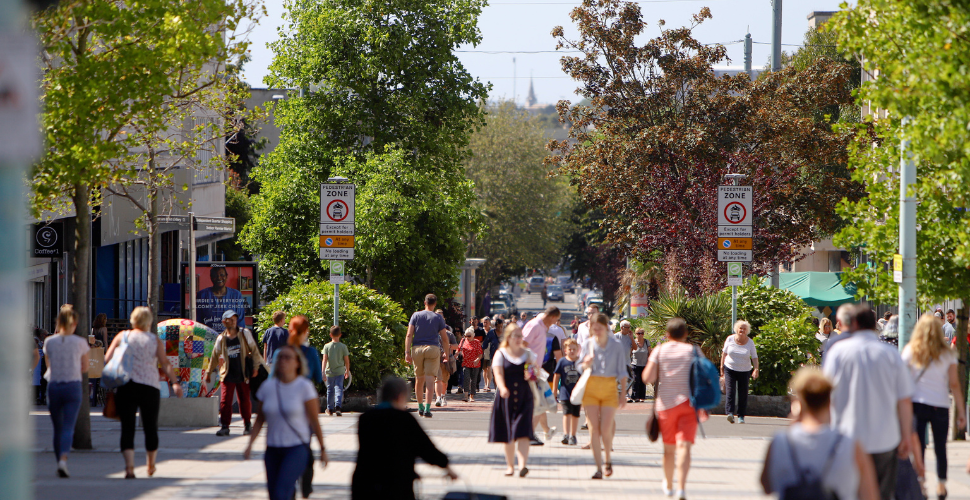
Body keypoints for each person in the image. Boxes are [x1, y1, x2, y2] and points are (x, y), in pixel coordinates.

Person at [823, 305, 914, 500]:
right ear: (874, 325)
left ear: (853, 323)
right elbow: (904, 400)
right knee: (881, 493)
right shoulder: (890, 354)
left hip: (847, 436)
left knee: (848, 491)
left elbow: (827, 396)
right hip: (884, 439)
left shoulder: (838, 352)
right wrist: (906, 435)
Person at [760, 368, 879, 500]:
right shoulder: (851, 445)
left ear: (797, 403)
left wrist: (792, 426)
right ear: (829, 402)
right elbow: (870, 495)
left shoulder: (780, 442)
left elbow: (766, 486)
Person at [105, 306, 183, 479]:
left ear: (133, 320)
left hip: (126, 385)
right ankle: (150, 465)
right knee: (150, 427)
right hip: (150, 386)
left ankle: (129, 468)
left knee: (127, 428)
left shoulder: (122, 336)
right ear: (149, 321)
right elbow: (165, 363)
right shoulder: (154, 340)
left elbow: (107, 358)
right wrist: (175, 383)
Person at [352, 376, 457, 499]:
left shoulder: (365, 419)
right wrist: (446, 467)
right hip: (396, 485)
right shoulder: (405, 420)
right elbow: (426, 449)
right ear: (400, 396)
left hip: (365, 483)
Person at [244, 345, 327, 500]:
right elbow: (260, 419)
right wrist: (250, 444)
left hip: (296, 448)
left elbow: (315, 422)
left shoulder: (305, 387)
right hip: (272, 450)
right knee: (274, 494)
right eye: (280, 357)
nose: (283, 361)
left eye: (288, 357)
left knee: (282, 491)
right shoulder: (267, 387)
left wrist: (322, 449)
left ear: (297, 363)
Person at [901, 314, 965, 500]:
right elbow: (954, 384)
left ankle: (921, 483)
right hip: (940, 405)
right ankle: (941, 485)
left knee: (918, 447)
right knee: (940, 447)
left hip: (917, 404)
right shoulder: (947, 353)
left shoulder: (911, 350)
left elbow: (901, 379)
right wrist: (961, 412)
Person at [643, 318, 699, 499]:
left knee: (669, 449)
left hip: (666, 405)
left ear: (667, 335)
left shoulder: (660, 350)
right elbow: (703, 375)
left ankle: (668, 485)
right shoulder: (693, 351)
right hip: (689, 405)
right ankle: (681, 488)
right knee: (685, 447)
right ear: (685, 334)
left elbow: (647, 377)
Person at [581, 312, 629, 479]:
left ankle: (608, 459)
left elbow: (622, 371)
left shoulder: (616, 345)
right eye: (594, 329)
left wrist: (623, 394)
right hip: (591, 386)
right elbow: (579, 366)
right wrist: (585, 363)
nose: (598, 332)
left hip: (609, 386)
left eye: (600, 328)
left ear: (606, 327)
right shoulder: (588, 344)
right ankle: (598, 467)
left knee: (605, 428)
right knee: (593, 429)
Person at [43, 305, 89, 478]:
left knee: (57, 427)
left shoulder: (49, 341)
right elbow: (84, 367)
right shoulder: (80, 343)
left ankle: (59, 462)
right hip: (73, 385)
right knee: (69, 426)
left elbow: (48, 362)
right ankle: (63, 460)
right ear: (74, 323)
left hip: (54, 385)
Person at [488, 323, 536, 477]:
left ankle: (522, 465)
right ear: (508, 337)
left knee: (523, 431)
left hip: (524, 397)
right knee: (508, 432)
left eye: (520, 336)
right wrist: (502, 388)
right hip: (506, 397)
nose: (519, 339)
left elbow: (534, 373)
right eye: (516, 336)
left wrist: (532, 375)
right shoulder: (501, 354)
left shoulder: (528, 353)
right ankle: (510, 466)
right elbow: (498, 374)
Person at [206, 309, 264, 436]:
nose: (233, 321)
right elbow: (215, 355)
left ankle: (248, 425)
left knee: (244, 400)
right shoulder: (221, 338)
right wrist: (209, 372)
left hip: (243, 372)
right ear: (224, 322)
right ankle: (225, 426)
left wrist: (255, 367)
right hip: (227, 373)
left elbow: (254, 350)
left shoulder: (245, 333)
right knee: (225, 401)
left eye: (234, 319)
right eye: (230, 319)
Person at [522, 306, 562, 445]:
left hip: (536, 370)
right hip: (529, 370)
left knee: (540, 403)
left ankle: (534, 432)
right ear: (551, 317)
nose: (555, 323)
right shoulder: (534, 325)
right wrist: (526, 368)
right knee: (539, 403)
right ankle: (529, 434)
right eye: (555, 320)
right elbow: (522, 345)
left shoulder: (542, 327)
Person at [404, 294, 450, 418]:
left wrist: (407, 352)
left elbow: (409, 335)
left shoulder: (416, 315)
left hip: (417, 348)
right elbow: (445, 339)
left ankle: (420, 407)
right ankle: (428, 409)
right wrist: (446, 353)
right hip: (433, 348)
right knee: (430, 379)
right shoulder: (438, 318)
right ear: (435, 304)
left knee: (419, 379)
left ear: (425, 302)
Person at [720, 320, 759, 424]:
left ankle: (741, 416)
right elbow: (724, 354)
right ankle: (730, 413)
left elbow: (754, 357)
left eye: (744, 329)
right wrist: (721, 368)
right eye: (740, 328)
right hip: (730, 368)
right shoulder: (729, 339)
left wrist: (756, 369)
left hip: (744, 370)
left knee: (743, 393)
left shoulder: (750, 342)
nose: (742, 330)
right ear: (736, 329)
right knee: (730, 391)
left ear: (747, 331)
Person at [196, 266, 246, 333]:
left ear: (226, 276)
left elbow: (240, 321)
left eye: (222, 275)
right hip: (208, 338)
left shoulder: (236, 295)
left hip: (230, 339)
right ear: (211, 277)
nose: (219, 278)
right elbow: (198, 322)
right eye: (215, 275)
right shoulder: (202, 295)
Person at [554, 338, 583, 445]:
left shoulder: (580, 361)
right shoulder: (562, 361)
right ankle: (566, 434)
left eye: (574, 349)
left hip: (577, 393)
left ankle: (573, 435)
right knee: (566, 413)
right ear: (565, 350)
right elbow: (556, 376)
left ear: (578, 350)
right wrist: (554, 391)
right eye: (569, 349)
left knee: (575, 414)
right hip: (565, 391)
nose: (572, 351)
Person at [434, 309, 459, 405]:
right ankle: (438, 398)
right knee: (437, 379)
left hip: (446, 360)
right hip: (436, 359)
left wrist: (447, 346)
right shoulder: (432, 333)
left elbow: (456, 346)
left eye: (441, 316)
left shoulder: (449, 334)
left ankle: (443, 396)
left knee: (444, 380)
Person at [458, 327, 483, 402]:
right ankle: (466, 396)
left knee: (473, 380)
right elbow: (458, 349)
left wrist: (477, 359)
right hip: (466, 363)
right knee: (466, 378)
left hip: (475, 364)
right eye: (466, 336)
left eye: (469, 336)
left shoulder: (477, 342)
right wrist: (456, 355)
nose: (467, 338)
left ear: (473, 335)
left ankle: (471, 396)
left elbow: (480, 354)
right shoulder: (463, 340)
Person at [482, 317, 502, 392]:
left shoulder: (505, 333)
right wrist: (480, 354)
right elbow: (485, 344)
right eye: (498, 327)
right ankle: (497, 390)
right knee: (495, 374)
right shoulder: (491, 333)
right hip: (494, 357)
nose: (500, 328)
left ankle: (502, 389)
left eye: (501, 326)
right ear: (495, 326)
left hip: (505, 357)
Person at [631, 327, 651, 402]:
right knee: (636, 380)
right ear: (635, 334)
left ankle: (642, 397)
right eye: (638, 333)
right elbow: (630, 352)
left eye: (642, 333)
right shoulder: (634, 342)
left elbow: (649, 353)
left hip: (644, 364)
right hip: (635, 364)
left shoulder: (646, 342)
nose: (640, 335)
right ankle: (635, 396)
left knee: (643, 381)